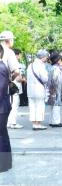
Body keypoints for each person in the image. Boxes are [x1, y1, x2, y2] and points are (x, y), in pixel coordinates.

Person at [27, 49, 49, 131]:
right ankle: (38, 124)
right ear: (43, 57)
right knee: (40, 106)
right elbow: (45, 79)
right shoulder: (41, 66)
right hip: (39, 89)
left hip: (30, 89)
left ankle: (34, 124)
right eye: (46, 57)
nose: (46, 59)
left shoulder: (30, 65)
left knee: (32, 106)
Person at [0, 44, 12, 172]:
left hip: (1, 107)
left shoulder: (0, 67)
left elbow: (0, 90)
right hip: (2, 106)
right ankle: (6, 163)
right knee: (3, 134)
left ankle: (3, 165)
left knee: (1, 135)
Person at [7, 49, 26, 129]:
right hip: (15, 87)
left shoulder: (7, 63)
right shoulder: (16, 65)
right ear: (17, 55)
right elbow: (18, 78)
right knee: (15, 105)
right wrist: (24, 80)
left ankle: (9, 122)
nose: (20, 56)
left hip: (9, 87)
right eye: (20, 55)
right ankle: (13, 123)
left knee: (10, 105)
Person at [47, 52, 62, 128]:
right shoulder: (56, 68)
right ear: (58, 60)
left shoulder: (50, 68)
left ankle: (52, 120)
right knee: (56, 105)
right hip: (56, 88)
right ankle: (56, 122)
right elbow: (55, 79)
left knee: (52, 105)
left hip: (51, 88)